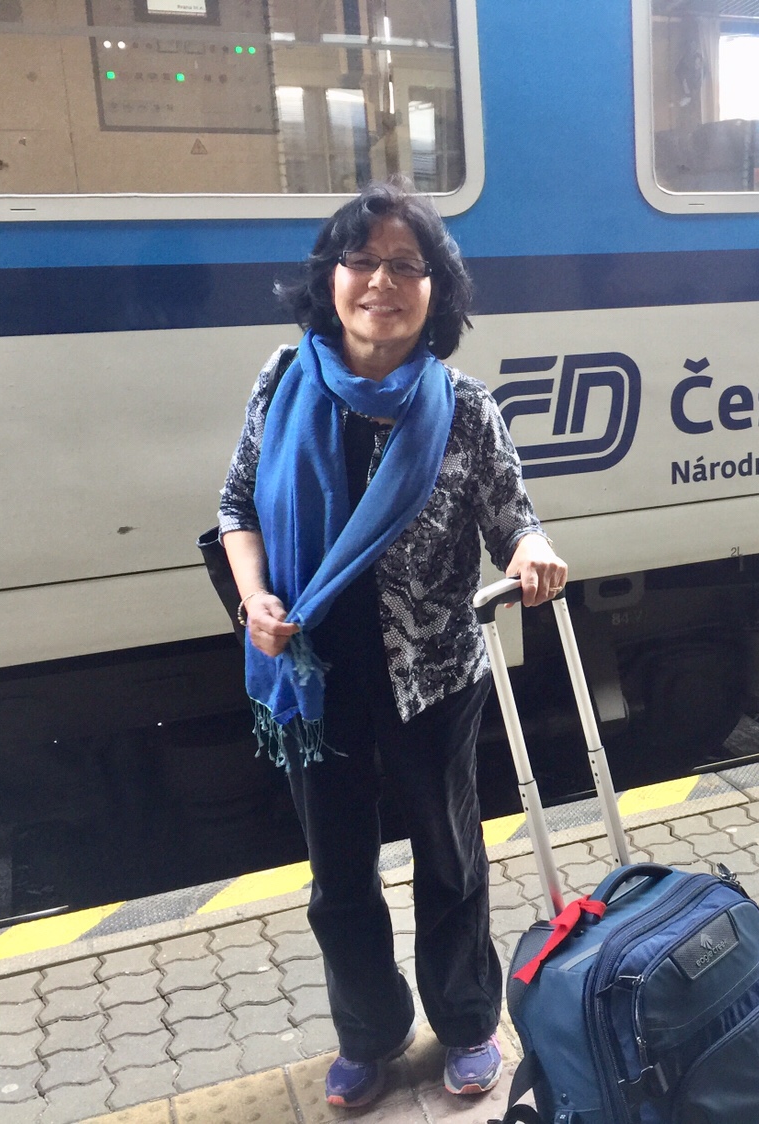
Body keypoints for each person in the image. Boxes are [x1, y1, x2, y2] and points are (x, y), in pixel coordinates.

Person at [217, 179, 566, 1108]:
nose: (382, 281)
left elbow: (512, 517)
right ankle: (369, 1036)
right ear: (330, 278)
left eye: (406, 265)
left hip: (433, 674)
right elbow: (237, 507)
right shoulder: (282, 383)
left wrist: (532, 550)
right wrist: (255, 598)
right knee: (339, 879)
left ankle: (466, 1021)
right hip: (314, 676)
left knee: (449, 860)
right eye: (362, 259)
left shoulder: (464, 407)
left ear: (434, 290)